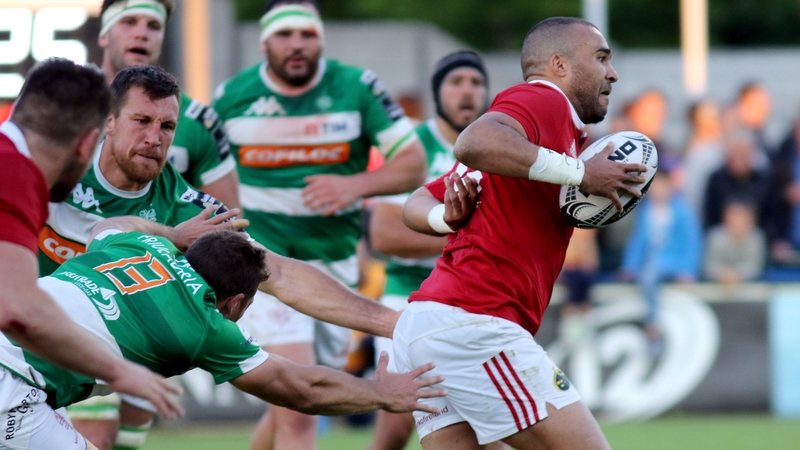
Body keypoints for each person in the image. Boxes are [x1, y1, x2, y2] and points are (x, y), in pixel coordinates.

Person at [396, 17, 646, 450]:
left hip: (428, 324)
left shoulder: (540, 138)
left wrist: (444, 219)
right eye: (601, 58)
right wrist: (584, 173)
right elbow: (472, 141)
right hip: (475, 322)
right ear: (559, 65)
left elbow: (416, 200)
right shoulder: (543, 101)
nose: (613, 73)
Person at [0, 215, 447, 450]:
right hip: (13, 385)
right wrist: (384, 395)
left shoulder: (140, 244)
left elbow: (108, 225)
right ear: (236, 302)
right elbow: (302, 388)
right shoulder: (204, 326)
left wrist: (171, 232)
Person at [212, 1, 428, 448]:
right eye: (285, 34)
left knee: (287, 406)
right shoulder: (231, 98)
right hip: (262, 264)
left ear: (321, 39)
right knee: (299, 405)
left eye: (307, 35)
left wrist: (356, 185)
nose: (296, 45)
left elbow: (413, 164)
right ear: (265, 42)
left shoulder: (356, 88)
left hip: (335, 268)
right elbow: (203, 175)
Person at [40, 65, 245, 450]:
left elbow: (273, 268)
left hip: (106, 341)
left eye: (167, 127)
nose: (154, 138)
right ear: (110, 121)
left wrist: (386, 322)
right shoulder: (57, 165)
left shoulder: (186, 206)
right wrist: (170, 238)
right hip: (28, 330)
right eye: (142, 121)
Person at [0, 58, 184, 434]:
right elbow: (19, 310)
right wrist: (120, 371)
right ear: (89, 141)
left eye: (166, 126)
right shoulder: (13, 173)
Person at [366, 51, 505, 450]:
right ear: (437, 93)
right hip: (405, 302)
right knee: (395, 428)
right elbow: (383, 236)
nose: (467, 91)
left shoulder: (495, 150)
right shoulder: (413, 149)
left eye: (476, 83)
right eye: (456, 82)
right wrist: (467, 238)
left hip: (472, 305)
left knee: (487, 427)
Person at [98, 0, 240, 210]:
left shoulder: (198, 120)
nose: (142, 34)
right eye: (129, 21)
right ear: (104, 34)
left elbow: (227, 224)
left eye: (154, 26)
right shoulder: (67, 105)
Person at [621, 169, 702, 355]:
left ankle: (652, 325)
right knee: (649, 271)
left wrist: (689, 270)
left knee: (650, 272)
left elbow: (692, 243)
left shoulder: (682, 211)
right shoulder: (645, 211)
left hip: (673, 262)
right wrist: (629, 266)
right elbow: (637, 242)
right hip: (651, 262)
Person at [704, 200, 766, 283]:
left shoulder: (756, 238)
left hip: (748, 284)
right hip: (716, 283)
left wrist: (737, 275)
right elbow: (709, 266)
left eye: (742, 220)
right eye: (733, 219)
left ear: (751, 221)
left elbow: (755, 267)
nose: (737, 223)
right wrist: (723, 275)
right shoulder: (715, 237)